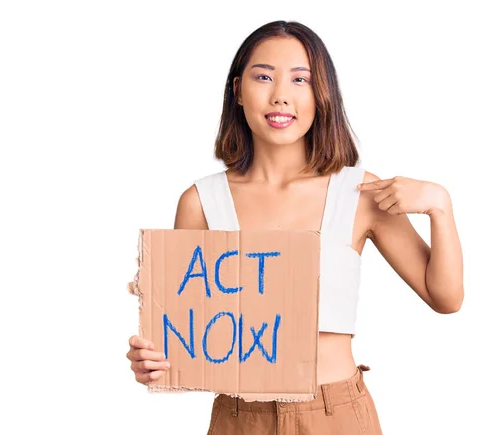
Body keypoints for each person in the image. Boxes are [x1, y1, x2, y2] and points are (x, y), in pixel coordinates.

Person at [126, 20, 464, 435]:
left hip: (336, 414)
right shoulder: (200, 203)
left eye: (300, 79)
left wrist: (440, 207)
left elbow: (445, 297)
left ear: (321, 95)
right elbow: (185, 339)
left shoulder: (358, 193)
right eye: (263, 76)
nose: (280, 95)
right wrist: (153, 361)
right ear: (238, 91)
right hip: (239, 417)